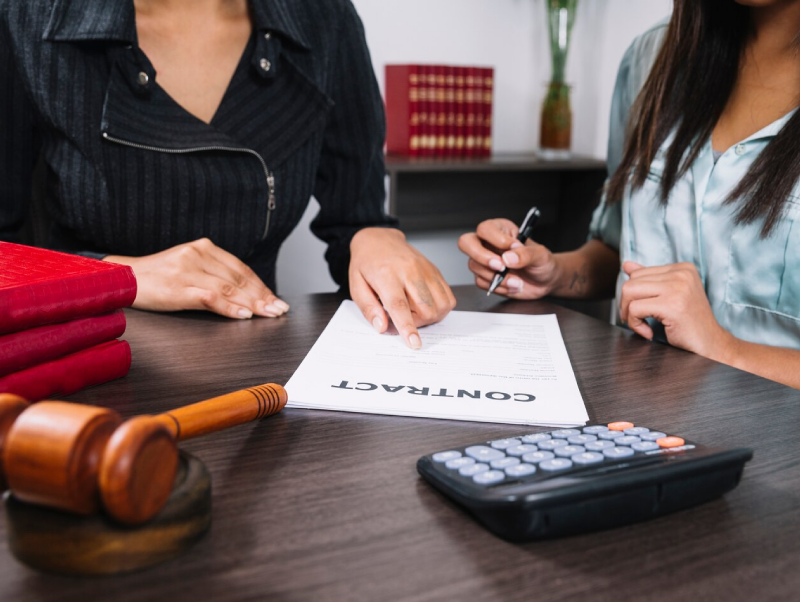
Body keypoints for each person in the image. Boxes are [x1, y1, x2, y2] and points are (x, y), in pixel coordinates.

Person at [0, 0, 455, 349]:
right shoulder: (24, 16)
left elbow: (356, 218)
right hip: (79, 369)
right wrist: (119, 277)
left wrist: (374, 238)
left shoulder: (323, 17)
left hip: (263, 372)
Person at [459, 0, 800, 388]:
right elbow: (617, 249)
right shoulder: (651, 56)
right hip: (637, 405)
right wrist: (552, 274)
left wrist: (725, 349)